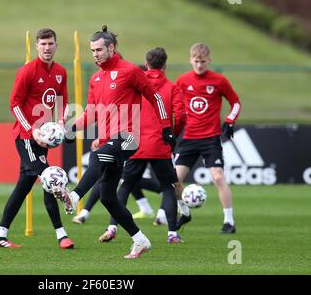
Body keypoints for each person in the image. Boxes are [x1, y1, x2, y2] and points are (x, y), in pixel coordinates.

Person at [54, 26, 172, 259]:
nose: (95, 54)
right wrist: (71, 130)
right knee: (108, 197)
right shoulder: (96, 79)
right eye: (92, 50)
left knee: (98, 155)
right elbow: (91, 112)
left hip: (130, 137)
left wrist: (166, 127)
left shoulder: (130, 71)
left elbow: (155, 97)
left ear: (111, 47)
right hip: (111, 140)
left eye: (99, 49)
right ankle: (140, 241)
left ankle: (75, 197)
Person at [0, 28, 74, 249]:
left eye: (50, 44)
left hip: (43, 138)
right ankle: (61, 234)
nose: (47, 48)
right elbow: (14, 103)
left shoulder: (60, 72)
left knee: (23, 187)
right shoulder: (27, 71)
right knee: (48, 178)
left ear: (56, 45)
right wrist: (32, 130)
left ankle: (0, 234)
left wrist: (61, 123)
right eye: (43, 44)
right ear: (36, 46)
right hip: (26, 136)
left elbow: (63, 101)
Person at [97, 47, 186, 244]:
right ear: (165, 65)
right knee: (167, 188)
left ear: (146, 64)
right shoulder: (172, 88)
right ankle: (172, 234)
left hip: (134, 142)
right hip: (159, 144)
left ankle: (112, 227)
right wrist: (173, 135)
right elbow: (180, 116)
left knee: (125, 186)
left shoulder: (134, 81)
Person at [175, 43, 241, 234]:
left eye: (203, 62)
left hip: (210, 138)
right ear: (190, 60)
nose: (199, 65)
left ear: (209, 61)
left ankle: (229, 221)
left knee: (219, 178)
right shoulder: (182, 80)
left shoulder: (219, 80)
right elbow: (175, 105)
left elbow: (235, 102)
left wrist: (230, 121)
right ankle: (185, 213)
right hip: (188, 138)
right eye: (196, 61)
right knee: (174, 181)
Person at [72, 141, 160, 224]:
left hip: (132, 143)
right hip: (130, 142)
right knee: (124, 179)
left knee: (123, 180)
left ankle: (165, 191)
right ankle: (147, 206)